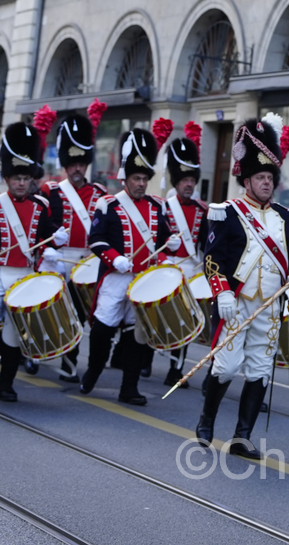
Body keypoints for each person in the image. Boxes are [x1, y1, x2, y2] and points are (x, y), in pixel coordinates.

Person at [198, 115, 289, 456]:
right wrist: (223, 291)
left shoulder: (285, 217)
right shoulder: (226, 213)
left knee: (260, 370)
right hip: (237, 302)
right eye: (260, 177)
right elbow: (212, 258)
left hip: (269, 307)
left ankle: (242, 438)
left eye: (269, 178)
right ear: (246, 180)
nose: (266, 183)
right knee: (226, 366)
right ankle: (206, 419)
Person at [0, 120, 64, 402]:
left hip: (24, 275)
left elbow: (48, 238)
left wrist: (55, 245)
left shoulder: (41, 206)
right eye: (16, 178)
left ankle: (5, 384)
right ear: (6, 179)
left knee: (16, 332)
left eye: (25, 178)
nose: (21, 183)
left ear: (31, 179)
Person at [82, 124, 179, 405]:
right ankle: (94, 370)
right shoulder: (108, 205)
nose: (140, 183)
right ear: (126, 179)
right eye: (136, 178)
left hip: (143, 280)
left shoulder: (157, 206)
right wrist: (116, 258)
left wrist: (170, 243)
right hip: (116, 277)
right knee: (102, 330)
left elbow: (163, 238)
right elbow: (96, 240)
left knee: (137, 335)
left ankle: (129, 388)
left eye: (144, 179)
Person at [41, 101, 108, 383]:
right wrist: (48, 245)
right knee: (52, 311)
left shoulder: (101, 192)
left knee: (79, 315)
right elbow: (39, 226)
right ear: (66, 165)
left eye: (82, 163)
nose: (78, 168)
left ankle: (70, 361)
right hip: (58, 260)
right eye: (73, 163)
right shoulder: (51, 190)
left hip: (86, 263)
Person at [159, 120, 209, 387]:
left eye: (192, 180)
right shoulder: (164, 208)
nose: (189, 184)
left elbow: (205, 244)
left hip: (191, 270)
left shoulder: (203, 210)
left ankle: (175, 369)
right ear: (176, 182)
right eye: (185, 180)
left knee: (185, 323)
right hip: (167, 268)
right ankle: (144, 360)